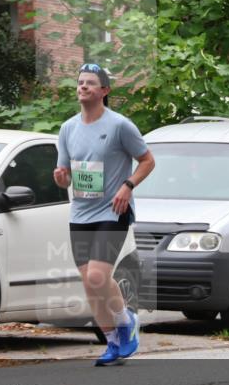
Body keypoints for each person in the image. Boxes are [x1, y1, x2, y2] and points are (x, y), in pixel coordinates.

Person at [53, 63, 155, 365]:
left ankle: (126, 323)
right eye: (80, 82)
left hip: (113, 211)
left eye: (90, 83)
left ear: (104, 90)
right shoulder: (68, 129)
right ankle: (112, 342)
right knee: (89, 283)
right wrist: (61, 178)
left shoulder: (120, 126)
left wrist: (128, 186)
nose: (83, 86)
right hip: (80, 213)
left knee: (99, 276)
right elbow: (65, 176)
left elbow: (147, 161)